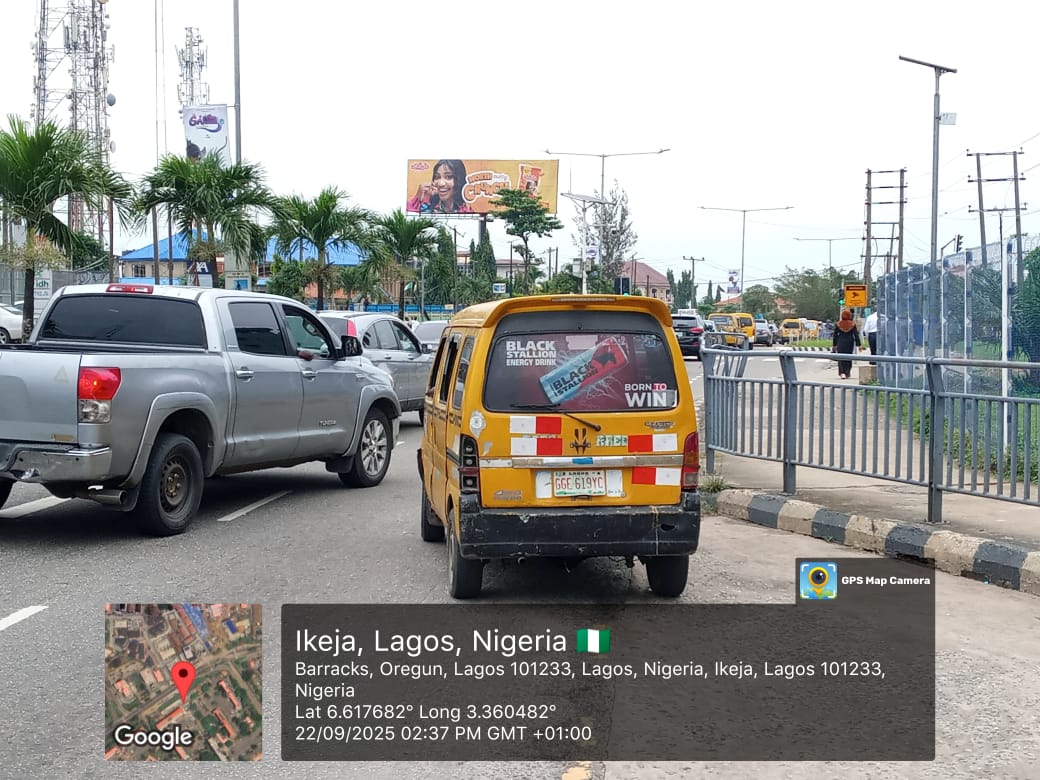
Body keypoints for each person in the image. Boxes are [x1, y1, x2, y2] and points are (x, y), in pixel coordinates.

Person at [407, 159, 474, 214]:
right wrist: (418, 199)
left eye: (448, 177)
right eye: (437, 177)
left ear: (459, 180)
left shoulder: (467, 211)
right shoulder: (428, 208)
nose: (441, 183)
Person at [832, 308, 861, 380]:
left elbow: (835, 335)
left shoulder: (838, 324)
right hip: (850, 342)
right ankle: (847, 372)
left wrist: (834, 345)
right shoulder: (852, 324)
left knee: (841, 357)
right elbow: (855, 335)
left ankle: (842, 373)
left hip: (840, 341)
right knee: (848, 357)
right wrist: (859, 345)